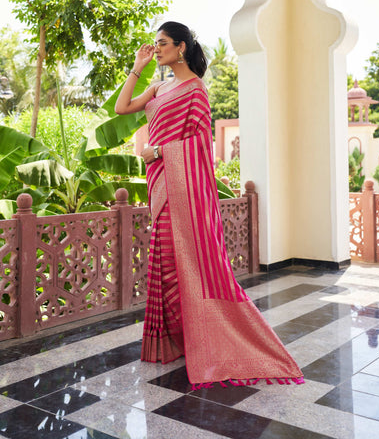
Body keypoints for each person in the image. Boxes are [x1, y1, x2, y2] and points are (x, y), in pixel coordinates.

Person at [115, 21, 304, 388]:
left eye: (163, 44)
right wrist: (137, 67)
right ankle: (181, 339)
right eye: (154, 45)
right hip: (160, 186)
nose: (158, 49)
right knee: (163, 261)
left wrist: (158, 151)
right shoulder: (158, 87)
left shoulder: (195, 90)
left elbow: (200, 147)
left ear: (181, 47)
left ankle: (206, 336)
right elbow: (123, 108)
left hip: (180, 187)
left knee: (178, 261)